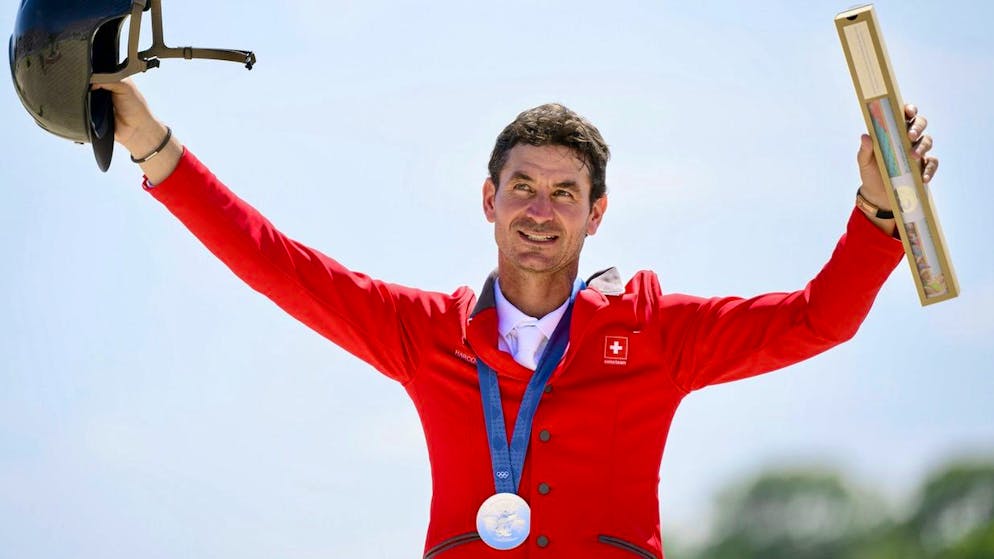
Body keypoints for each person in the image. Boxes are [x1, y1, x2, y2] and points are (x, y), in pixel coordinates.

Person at [94, 79, 938, 559]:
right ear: (488, 199)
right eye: (523, 188)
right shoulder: (421, 333)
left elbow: (815, 320)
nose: (541, 210)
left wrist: (874, 204)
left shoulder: (657, 333)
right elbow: (276, 262)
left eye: (565, 193)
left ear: (596, 213)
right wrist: (153, 146)